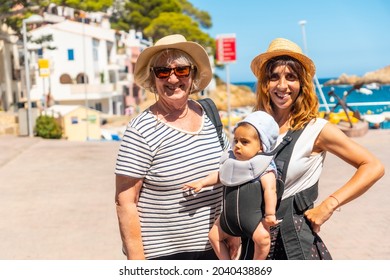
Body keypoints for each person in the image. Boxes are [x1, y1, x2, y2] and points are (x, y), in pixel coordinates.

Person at [241, 37, 385, 259]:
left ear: (302, 84)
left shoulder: (316, 129)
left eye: (291, 77)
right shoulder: (255, 126)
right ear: (264, 84)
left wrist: (328, 206)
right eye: (274, 77)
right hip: (253, 243)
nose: (282, 85)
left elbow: (373, 166)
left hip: (294, 245)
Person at [114, 34, 238, 260]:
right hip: (165, 256)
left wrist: (233, 229)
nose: (172, 79)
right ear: (153, 80)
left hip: (216, 249)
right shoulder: (141, 130)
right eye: (163, 71)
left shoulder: (209, 115)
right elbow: (125, 201)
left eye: (181, 70)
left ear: (192, 75)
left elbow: (229, 172)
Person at [182, 111, 281, 260]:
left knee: (263, 240)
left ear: (261, 146)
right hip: (227, 219)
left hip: (252, 220)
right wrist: (202, 183)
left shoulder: (264, 168)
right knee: (213, 236)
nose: (238, 146)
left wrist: (270, 215)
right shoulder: (231, 162)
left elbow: (270, 190)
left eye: (245, 142)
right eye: (236, 141)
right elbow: (221, 176)